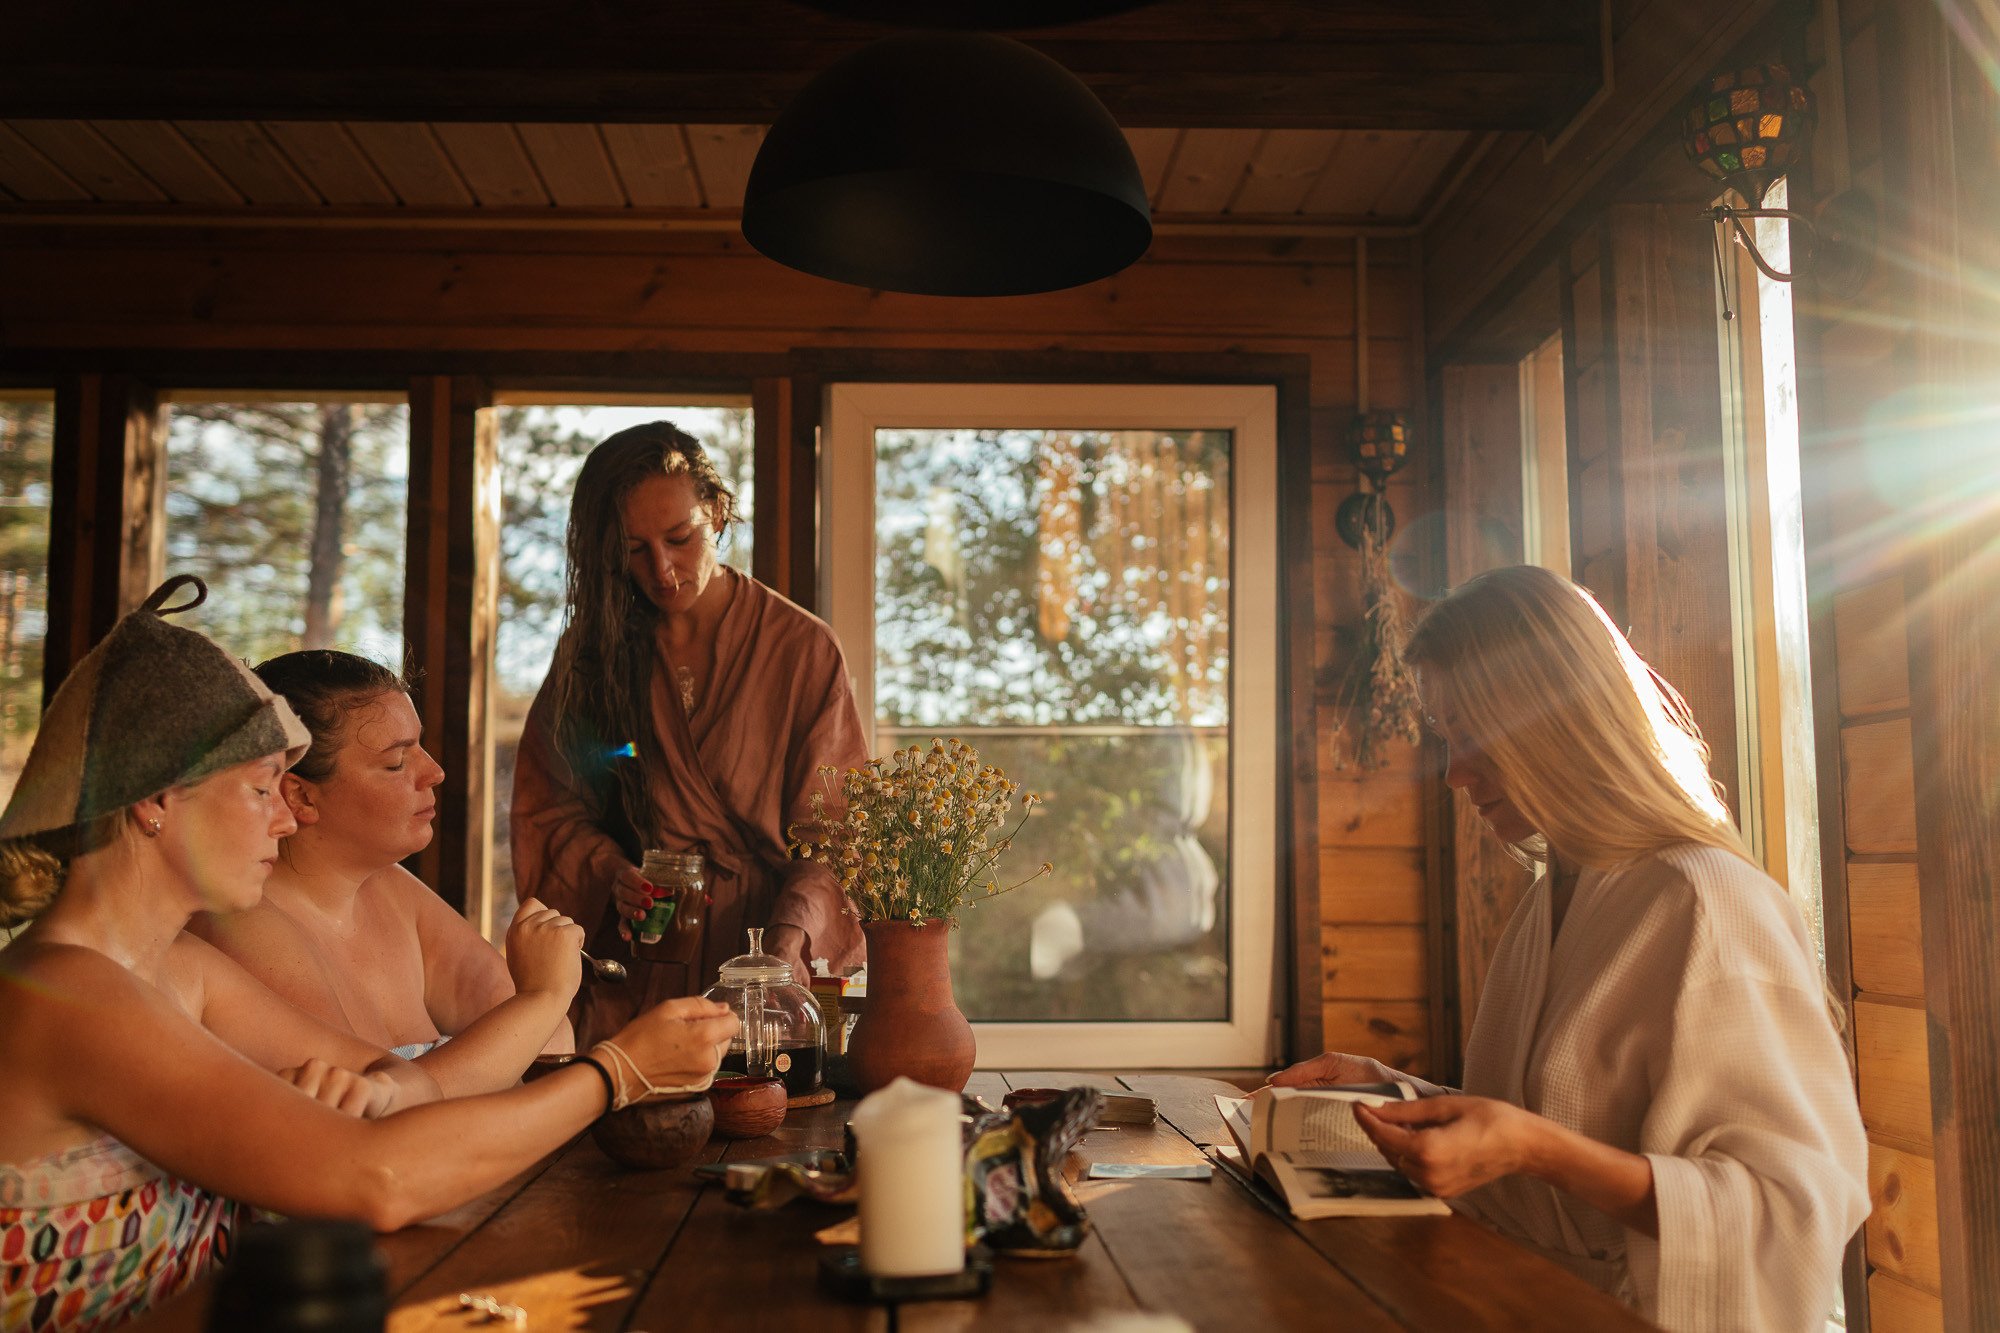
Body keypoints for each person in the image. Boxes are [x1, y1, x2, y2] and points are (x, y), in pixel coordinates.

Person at [0, 578, 736, 1333]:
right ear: (156, 799)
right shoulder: (64, 992)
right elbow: (378, 1179)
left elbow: (401, 1089)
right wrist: (617, 1072)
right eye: (261, 789)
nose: (286, 818)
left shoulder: (180, 968)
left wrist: (379, 1097)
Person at [1272, 565, 1865, 1333]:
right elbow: (1541, 1125)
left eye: (1472, 735)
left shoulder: (1707, 901)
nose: (1454, 774)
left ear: (1560, 720)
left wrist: (1534, 1151)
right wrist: (1391, 1089)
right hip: (1514, 1299)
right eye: (1447, 738)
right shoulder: (1558, 893)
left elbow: (1792, 1202)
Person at [512, 423, 867, 1045]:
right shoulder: (592, 656)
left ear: (718, 512)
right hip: (638, 964)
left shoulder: (801, 648)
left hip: (762, 973)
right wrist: (612, 872)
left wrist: (790, 940)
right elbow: (551, 812)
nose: (663, 570)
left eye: (680, 538)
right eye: (634, 549)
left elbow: (837, 836)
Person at [192, 651, 575, 1098]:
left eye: (420, 747)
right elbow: (377, 1112)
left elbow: (550, 1043)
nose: (435, 772)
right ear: (300, 796)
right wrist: (543, 998)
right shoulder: (244, 924)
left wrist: (537, 1008)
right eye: (396, 763)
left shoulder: (388, 885)